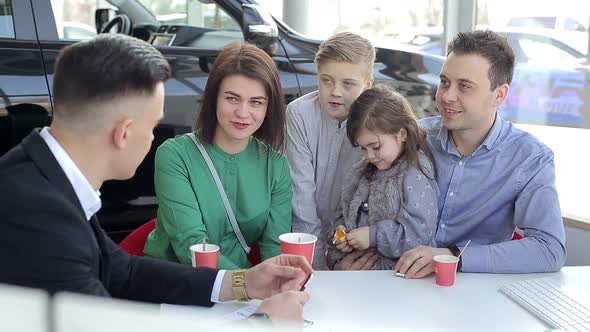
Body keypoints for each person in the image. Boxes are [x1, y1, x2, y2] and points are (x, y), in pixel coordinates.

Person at [0, 34, 310, 323]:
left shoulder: (43, 180)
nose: (152, 139)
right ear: (123, 132)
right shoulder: (38, 213)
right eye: (152, 126)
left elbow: (123, 272)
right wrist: (264, 323)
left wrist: (242, 282)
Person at [395, 30, 566, 278]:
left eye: (464, 86)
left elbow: (549, 249)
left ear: (499, 95)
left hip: (473, 294)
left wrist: (452, 257)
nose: (447, 96)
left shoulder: (530, 158)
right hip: (396, 279)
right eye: (444, 82)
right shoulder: (413, 138)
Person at [143, 42, 292, 270]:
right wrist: (247, 285)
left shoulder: (276, 165)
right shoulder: (174, 156)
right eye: (232, 98)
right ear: (213, 98)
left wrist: (279, 283)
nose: (243, 113)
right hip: (174, 279)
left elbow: (274, 248)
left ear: (268, 107)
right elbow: (190, 245)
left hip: (239, 290)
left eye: (256, 102)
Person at [286, 32, 375, 268]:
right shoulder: (299, 114)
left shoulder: (378, 123)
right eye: (326, 80)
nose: (335, 91)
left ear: (368, 84)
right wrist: (317, 264)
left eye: (348, 83)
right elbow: (301, 194)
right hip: (304, 237)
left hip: (354, 243)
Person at [327, 85, 439, 270]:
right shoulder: (360, 173)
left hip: (394, 280)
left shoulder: (415, 177)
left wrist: (373, 235)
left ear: (402, 134)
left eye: (376, 146)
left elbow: (418, 234)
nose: (369, 155)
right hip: (354, 276)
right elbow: (342, 213)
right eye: (363, 148)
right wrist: (340, 234)